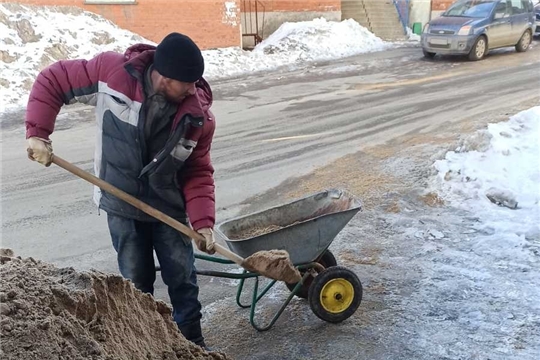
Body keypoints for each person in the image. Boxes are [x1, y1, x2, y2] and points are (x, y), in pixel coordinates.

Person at [25, 32, 217, 349]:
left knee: (183, 280)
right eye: (187, 83)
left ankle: (192, 344)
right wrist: (38, 133)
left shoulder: (197, 118)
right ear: (166, 77)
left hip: (169, 209)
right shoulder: (111, 74)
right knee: (135, 282)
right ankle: (145, 345)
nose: (193, 90)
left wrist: (203, 223)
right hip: (122, 205)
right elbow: (54, 79)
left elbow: (197, 172)